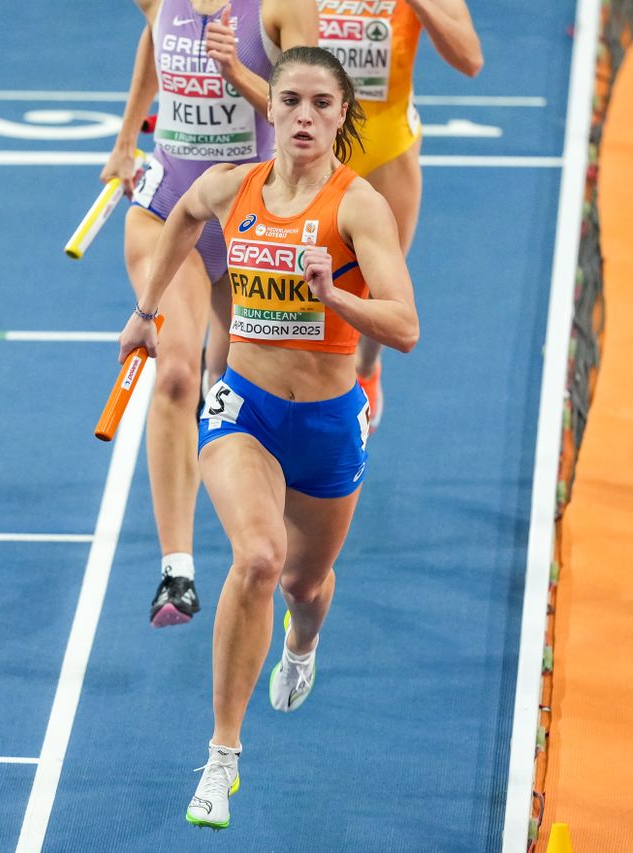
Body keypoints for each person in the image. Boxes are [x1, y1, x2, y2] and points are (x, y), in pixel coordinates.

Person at [116, 46, 419, 830]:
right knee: (257, 557)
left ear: (342, 115)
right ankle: (222, 757)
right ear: (271, 108)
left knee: (304, 587)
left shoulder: (358, 208)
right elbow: (177, 217)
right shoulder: (231, 186)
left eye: (323, 103)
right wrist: (149, 311)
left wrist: (334, 295)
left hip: (325, 422)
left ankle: (303, 643)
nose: (306, 116)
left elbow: (407, 326)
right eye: (291, 101)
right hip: (244, 409)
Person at [101, 0, 319, 628]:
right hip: (167, 208)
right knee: (174, 373)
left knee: (242, 391)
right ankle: (178, 571)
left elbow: (313, 113)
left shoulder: (282, 9)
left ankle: (278, 545)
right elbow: (153, 35)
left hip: (249, 219)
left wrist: (238, 74)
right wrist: (124, 140)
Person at [318, 0, 482, 430]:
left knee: (382, 287)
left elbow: (470, 59)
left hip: (388, 148)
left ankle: (367, 366)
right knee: (303, 282)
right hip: (315, 145)